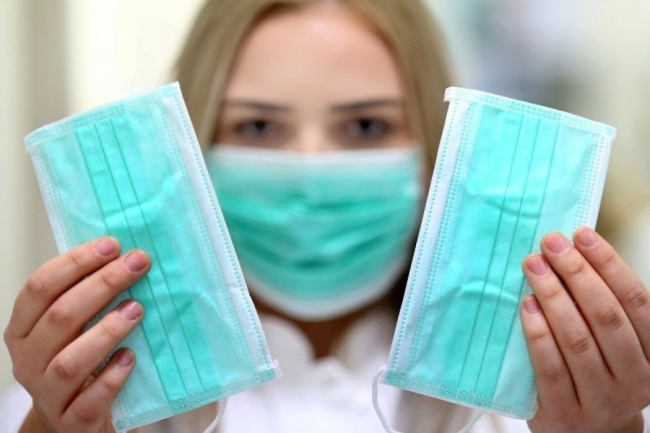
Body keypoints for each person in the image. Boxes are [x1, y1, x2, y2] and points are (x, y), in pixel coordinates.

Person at [2, 0, 650, 432]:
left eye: (366, 126)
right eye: (258, 126)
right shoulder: (93, 395)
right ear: (190, 147)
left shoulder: (543, 397)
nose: (311, 169)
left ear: (437, 147)